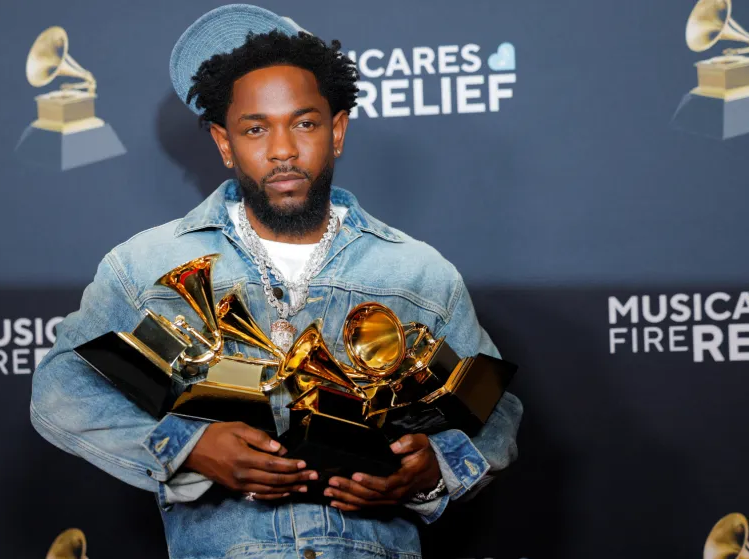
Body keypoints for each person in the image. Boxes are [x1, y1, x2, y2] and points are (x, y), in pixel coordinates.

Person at [30, 5, 522, 559]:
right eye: (256, 129)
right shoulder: (142, 265)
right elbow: (59, 387)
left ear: (336, 131)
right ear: (224, 143)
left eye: (305, 123)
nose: (283, 149)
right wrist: (188, 447)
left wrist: (432, 470)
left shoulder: (419, 272)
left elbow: (495, 411)